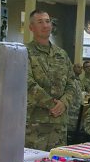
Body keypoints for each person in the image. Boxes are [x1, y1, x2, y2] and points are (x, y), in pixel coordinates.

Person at [25, 9, 77, 151]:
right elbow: (27, 83)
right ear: (31, 27)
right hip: (35, 125)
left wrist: (64, 103)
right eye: (40, 22)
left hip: (59, 125)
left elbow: (72, 83)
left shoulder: (61, 54)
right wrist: (51, 104)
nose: (45, 25)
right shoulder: (25, 52)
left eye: (47, 21)